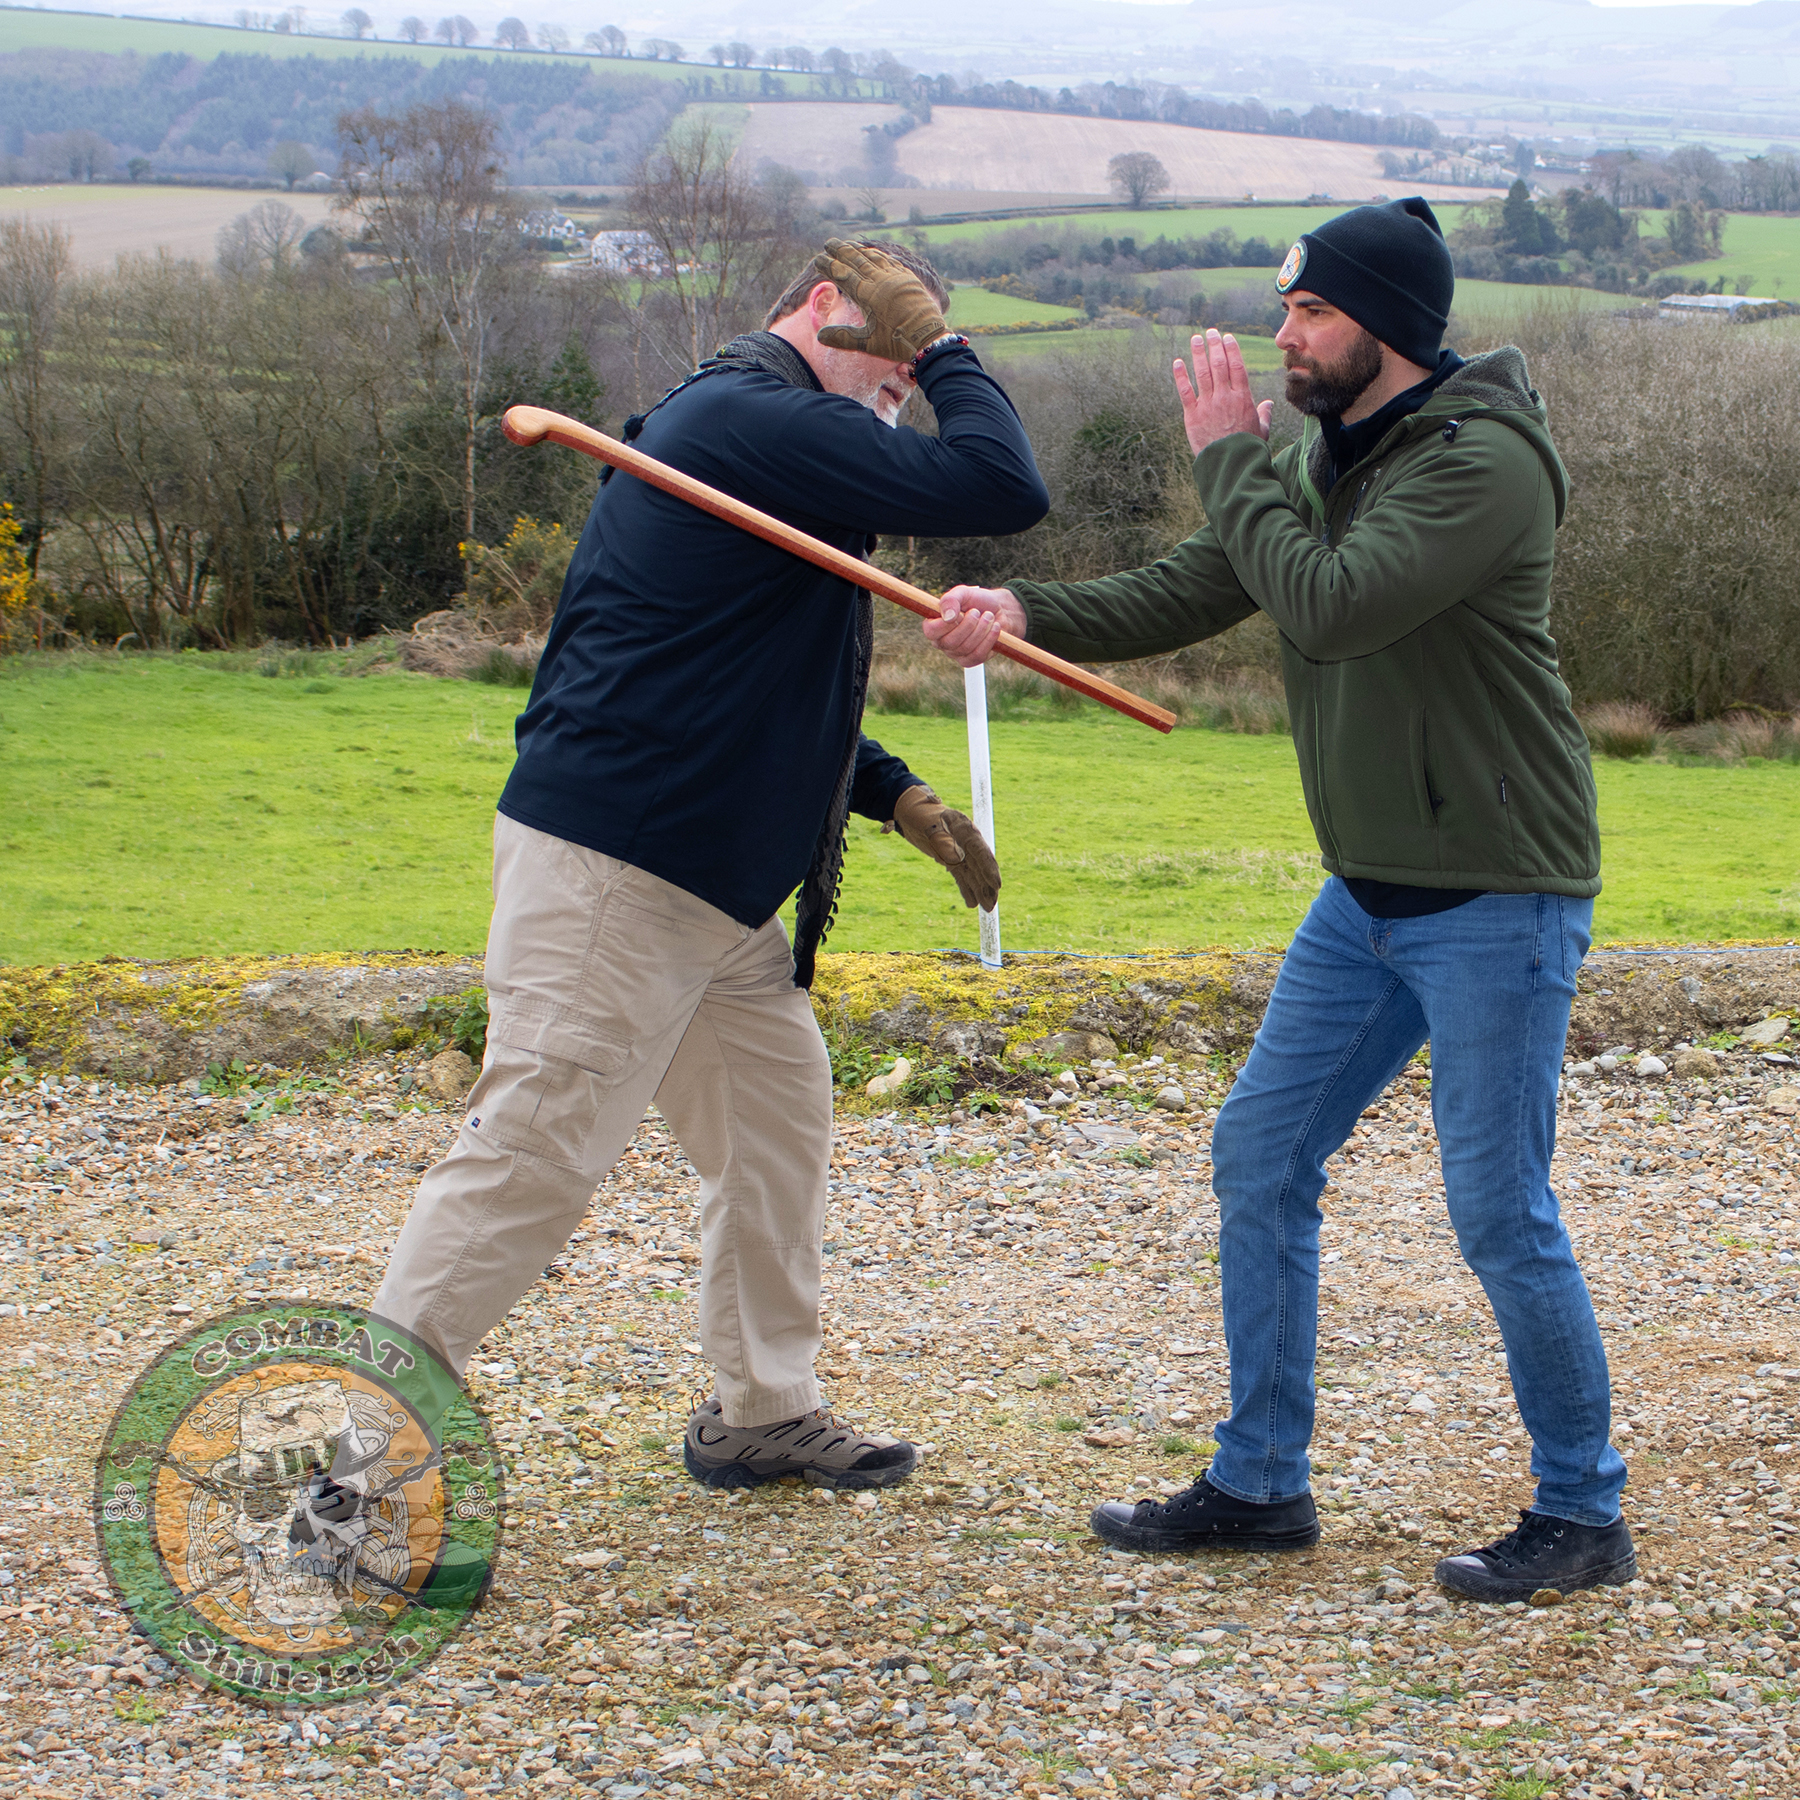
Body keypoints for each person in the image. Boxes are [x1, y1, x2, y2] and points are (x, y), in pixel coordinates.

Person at [923, 198, 1635, 1603]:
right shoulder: (1329, 456)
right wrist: (1021, 613)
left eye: (1311, 311)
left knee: (1499, 1210)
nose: (1284, 332)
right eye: (1286, 308)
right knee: (1260, 1153)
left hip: (1498, 893)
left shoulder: (1484, 462)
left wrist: (1227, 459)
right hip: (1364, 896)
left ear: (1390, 327)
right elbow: (1207, 579)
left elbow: (1328, 604)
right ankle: (1259, 1483)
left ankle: (1582, 1510)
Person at [372, 239, 1049, 1493]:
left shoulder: (769, 443)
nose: (903, 388)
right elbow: (1001, 484)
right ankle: (354, 1472)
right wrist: (945, 347)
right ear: (824, 307)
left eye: (914, 372)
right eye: (891, 357)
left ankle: (762, 1412)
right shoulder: (745, 413)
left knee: (774, 1127)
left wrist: (893, 795)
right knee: (529, 1157)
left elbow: (751, 676)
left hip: (714, 891)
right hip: (621, 866)